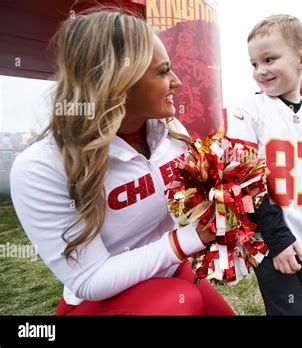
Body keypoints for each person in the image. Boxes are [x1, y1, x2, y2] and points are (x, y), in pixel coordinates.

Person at [10, 9, 234, 316]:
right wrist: (190, 239)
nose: (177, 82)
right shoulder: (40, 166)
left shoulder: (170, 131)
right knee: (179, 301)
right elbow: (91, 278)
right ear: (116, 79)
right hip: (102, 301)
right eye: (163, 71)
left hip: (169, 273)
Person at [225, 14, 302, 315]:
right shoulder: (248, 111)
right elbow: (244, 182)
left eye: (269, 59)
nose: (259, 71)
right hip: (269, 238)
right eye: (254, 63)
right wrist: (277, 240)